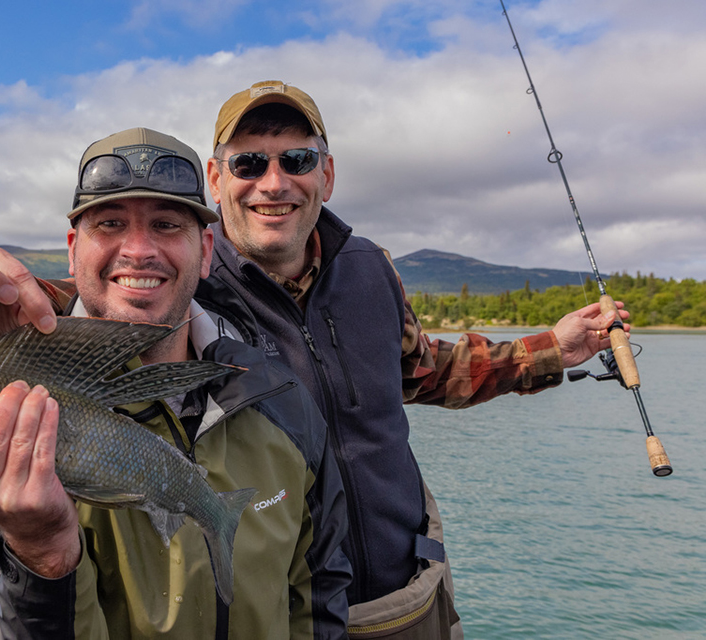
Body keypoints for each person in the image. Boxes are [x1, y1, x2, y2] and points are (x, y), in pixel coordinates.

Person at [202, 80, 632, 639]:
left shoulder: (370, 267)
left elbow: (424, 372)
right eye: (249, 162)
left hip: (407, 598)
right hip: (271, 618)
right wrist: (44, 298)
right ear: (216, 180)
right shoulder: (181, 278)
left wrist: (554, 347)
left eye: (298, 159)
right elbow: (94, 296)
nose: (274, 182)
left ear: (326, 175)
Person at [0, 127, 352, 638]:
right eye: (111, 224)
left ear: (205, 250)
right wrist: (45, 553)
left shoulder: (278, 397)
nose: (138, 250)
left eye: (166, 225)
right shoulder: (10, 425)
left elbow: (319, 595)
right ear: (73, 250)